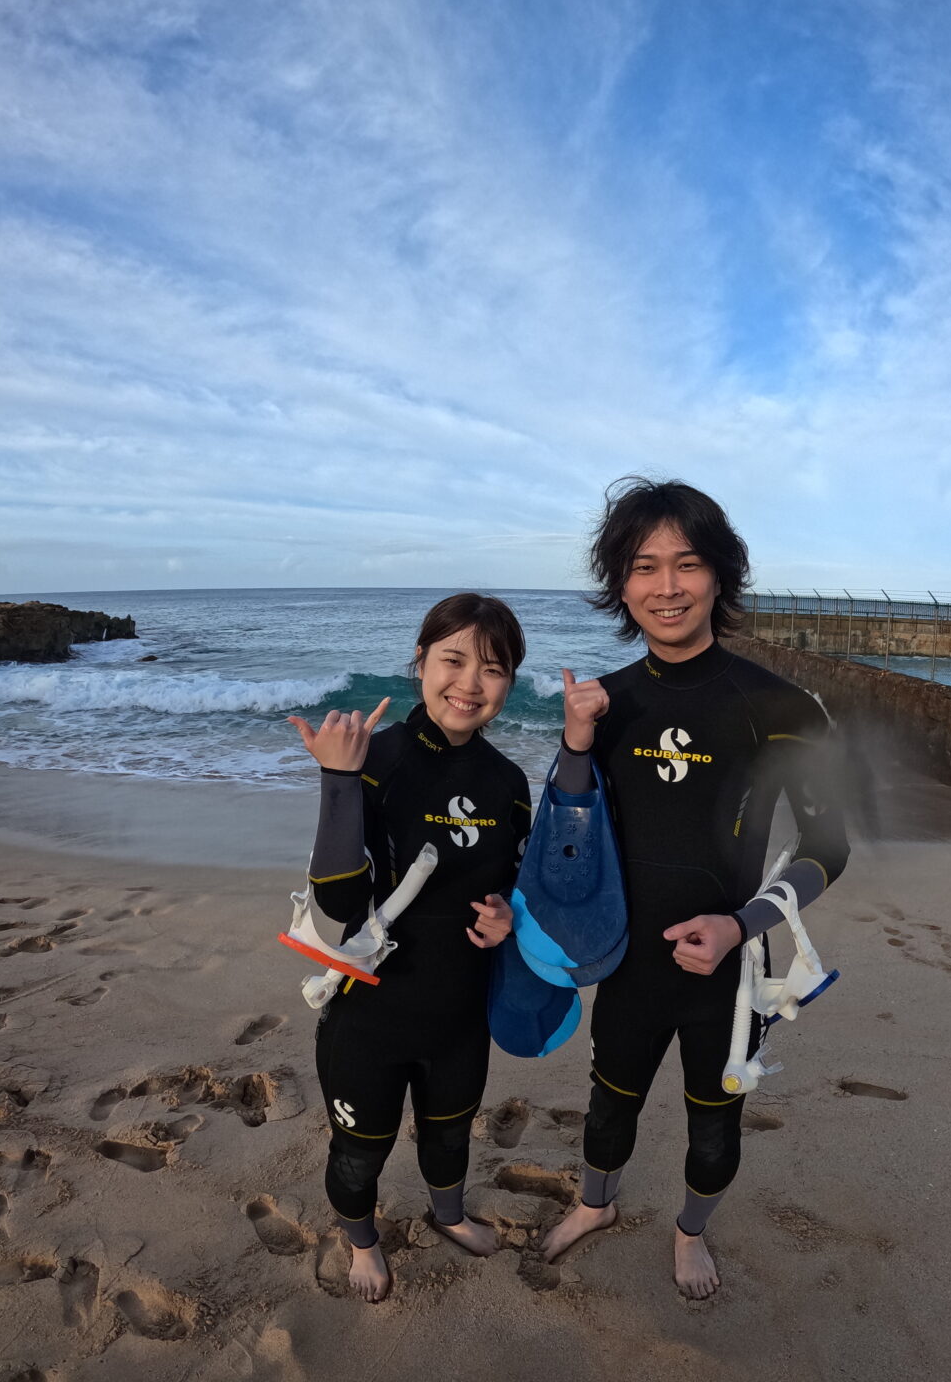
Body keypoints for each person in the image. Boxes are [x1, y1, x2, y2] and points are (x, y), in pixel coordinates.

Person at [538, 478, 850, 1298]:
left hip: (731, 972)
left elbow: (827, 848)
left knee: (714, 1133)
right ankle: (596, 1204)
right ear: (621, 585)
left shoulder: (782, 708)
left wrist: (741, 925)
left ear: (720, 574)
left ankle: (689, 1232)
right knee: (608, 1109)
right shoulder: (604, 703)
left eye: (687, 563)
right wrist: (575, 743)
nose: (666, 586)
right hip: (628, 965)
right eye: (644, 567)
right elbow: (564, 841)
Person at [289, 593, 532, 1303]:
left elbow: (516, 887)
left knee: (450, 1137)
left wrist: (508, 918)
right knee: (359, 1154)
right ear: (420, 662)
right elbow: (339, 902)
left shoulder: (509, 784)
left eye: (493, 669)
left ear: (509, 682)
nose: (470, 684)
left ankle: (448, 1215)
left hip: (460, 1014)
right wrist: (338, 778)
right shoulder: (376, 760)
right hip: (371, 1015)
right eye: (453, 660)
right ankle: (363, 1243)